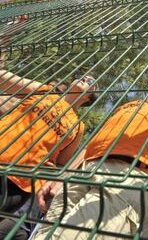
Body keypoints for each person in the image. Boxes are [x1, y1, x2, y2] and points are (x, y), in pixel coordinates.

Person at [34, 36, 148, 237]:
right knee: (46, 233)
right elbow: (93, 145)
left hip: (135, 177)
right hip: (85, 170)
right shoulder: (129, 106)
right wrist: (63, 177)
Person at [0, 70, 98, 238]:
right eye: (83, 76)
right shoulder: (44, 91)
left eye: (91, 81)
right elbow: (6, 80)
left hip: (21, 181)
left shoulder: (78, 127)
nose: (85, 78)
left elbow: (60, 163)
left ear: (89, 98)